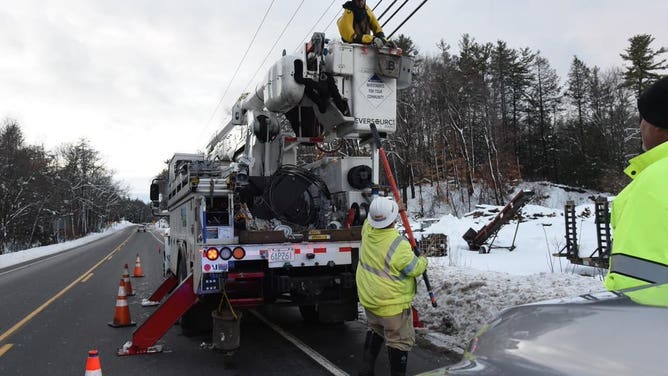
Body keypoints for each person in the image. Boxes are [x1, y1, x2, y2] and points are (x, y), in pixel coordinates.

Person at [604, 76, 668, 292]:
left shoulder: (654, 181)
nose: (640, 126)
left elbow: (634, 283)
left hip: (651, 321)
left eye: (643, 118)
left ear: (659, 124)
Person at [356, 196, 428, 376]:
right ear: (394, 218)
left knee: (376, 329)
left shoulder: (367, 230)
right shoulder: (399, 244)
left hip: (371, 300)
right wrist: (423, 260)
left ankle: (365, 371)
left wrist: (395, 207)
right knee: (399, 342)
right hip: (392, 305)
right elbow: (414, 268)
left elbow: (373, 218)